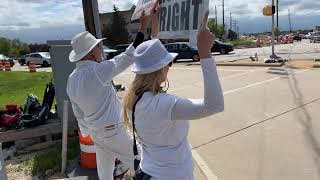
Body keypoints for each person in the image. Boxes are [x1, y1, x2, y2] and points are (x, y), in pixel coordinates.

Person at [123, 12, 224, 180]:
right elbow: (214, 105)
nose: (170, 67)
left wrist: (154, 28)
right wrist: (205, 53)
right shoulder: (165, 104)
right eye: (168, 62)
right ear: (160, 69)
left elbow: (148, 60)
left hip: (148, 171)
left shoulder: (132, 99)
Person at [66, 13, 150, 180]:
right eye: (98, 47)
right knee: (143, 161)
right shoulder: (98, 71)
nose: (100, 49)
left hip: (96, 133)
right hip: (113, 131)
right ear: (90, 52)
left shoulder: (71, 79)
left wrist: (87, 130)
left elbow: (78, 113)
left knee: (104, 171)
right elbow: (128, 57)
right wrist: (142, 28)